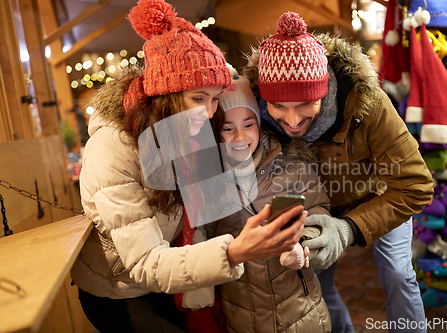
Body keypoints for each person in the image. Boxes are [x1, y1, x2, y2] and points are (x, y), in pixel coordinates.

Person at [70, 2, 306, 333]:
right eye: (199, 98)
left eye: (214, 99)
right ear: (164, 93)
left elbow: (207, 219)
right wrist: (235, 251)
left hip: (172, 278)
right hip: (119, 291)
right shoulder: (113, 148)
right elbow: (143, 263)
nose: (210, 112)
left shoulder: (188, 131)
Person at [243, 12, 434, 333]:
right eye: (278, 105)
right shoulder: (254, 114)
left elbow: (415, 185)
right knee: (315, 278)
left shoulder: (368, 103)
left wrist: (347, 230)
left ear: (324, 89)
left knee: (398, 273)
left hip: (381, 197)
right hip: (318, 206)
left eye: (305, 103)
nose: (291, 120)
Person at [210, 64, 331, 332]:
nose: (240, 136)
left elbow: (319, 213)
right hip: (241, 316)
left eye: (248, 124)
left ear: (259, 124)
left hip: (300, 312)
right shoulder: (209, 180)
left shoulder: (292, 165)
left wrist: (303, 244)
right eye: (228, 128)